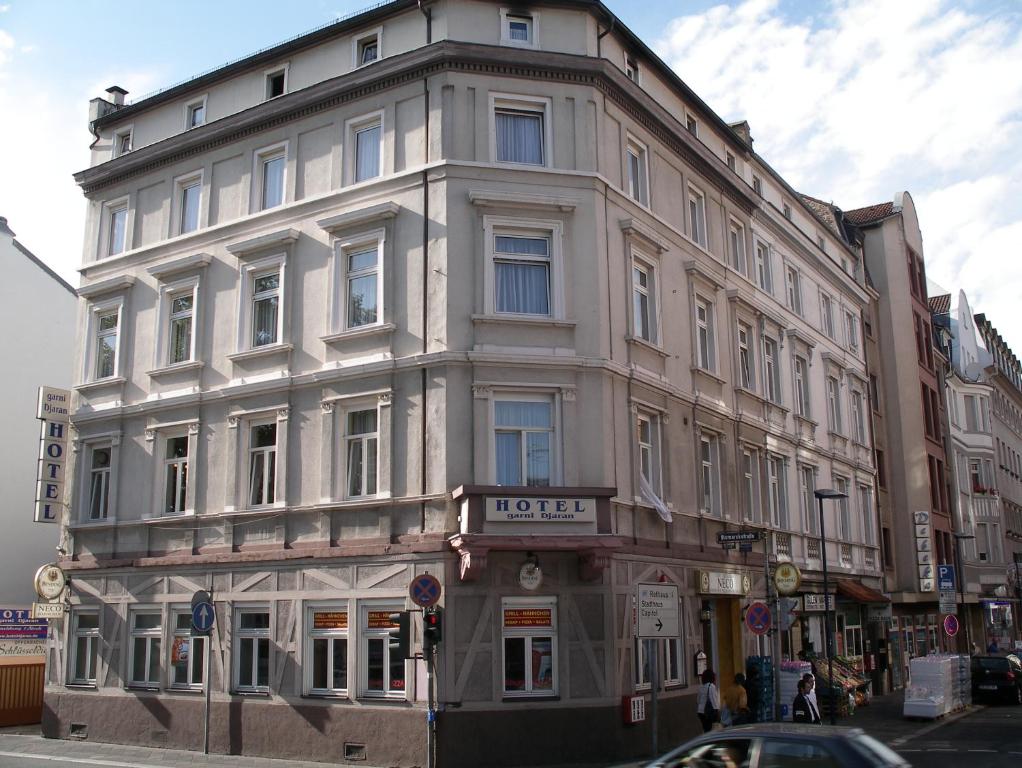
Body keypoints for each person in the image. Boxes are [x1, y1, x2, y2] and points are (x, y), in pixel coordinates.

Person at [696, 669, 720, 733]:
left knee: (706, 729)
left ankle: (706, 739)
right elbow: (714, 701)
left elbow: (698, 700)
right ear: (712, 677)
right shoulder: (711, 686)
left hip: (701, 712)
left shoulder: (701, 687)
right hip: (709, 712)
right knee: (712, 730)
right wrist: (717, 713)